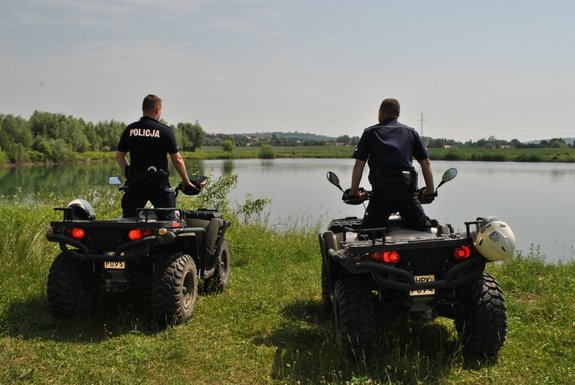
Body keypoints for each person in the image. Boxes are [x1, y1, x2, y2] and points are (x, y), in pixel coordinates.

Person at [348, 98, 435, 232]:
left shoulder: (370, 133)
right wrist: (430, 189)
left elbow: (359, 164)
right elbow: (426, 163)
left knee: (367, 236)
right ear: (398, 114)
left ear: (381, 113)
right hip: (407, 194)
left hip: (381, 195)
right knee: (425, 230)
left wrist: (354, 192)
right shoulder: (411, 132)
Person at [115, 94, 195, 220]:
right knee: (168, 222)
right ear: (157, 109)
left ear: (143, 109)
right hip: (159, 185)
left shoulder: (130, 129)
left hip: (136, 184)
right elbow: (177, 159)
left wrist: (129, 172)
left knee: (129, 221)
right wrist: (186, 182)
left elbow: (119, 156)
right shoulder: (165, 131)